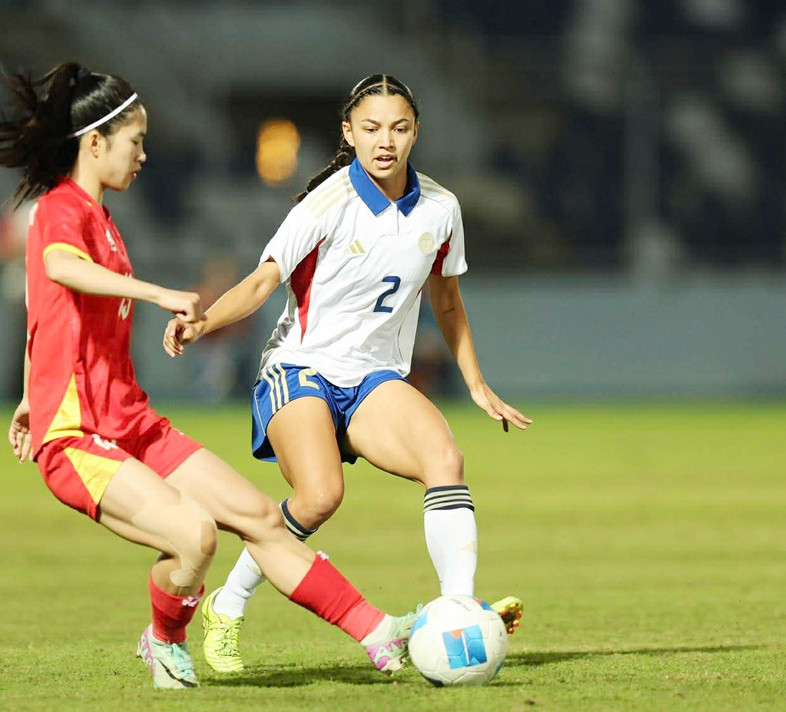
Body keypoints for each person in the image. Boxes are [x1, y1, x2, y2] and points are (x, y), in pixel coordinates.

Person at [0, 62, 417, 690]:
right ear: (94, 143)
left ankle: (377, 630)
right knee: (194, 536)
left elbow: (46, 310)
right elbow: (61, 269)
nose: (144, 156)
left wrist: (22, 395)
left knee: (259, 517)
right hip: (75, 435)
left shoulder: (105, 222)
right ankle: (165, 639)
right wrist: (154, 293)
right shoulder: (61, 210)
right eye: (135, 142)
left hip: (130, 420)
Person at [164, 75, 533, 673]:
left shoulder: (441, 209)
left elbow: (447, 302)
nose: (385, 140)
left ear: (416, 132)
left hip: (374, 380)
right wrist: (205, 323)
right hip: (301, 369)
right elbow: (264, 279)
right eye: (371, 128)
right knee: (318, 497)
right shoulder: (327, 202)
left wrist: (475, 382)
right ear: (349, 133)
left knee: (446, 459)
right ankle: (226, 607)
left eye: (399, 127)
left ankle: (458, 607)